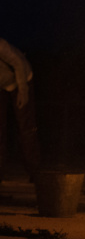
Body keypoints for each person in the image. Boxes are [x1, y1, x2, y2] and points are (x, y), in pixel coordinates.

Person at [0, 38, 41, 182]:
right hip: (2, 85)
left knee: (25, 127)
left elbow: (17, 62)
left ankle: (35, 171)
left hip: (21, 78)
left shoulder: (0, 45)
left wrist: (23, 91)